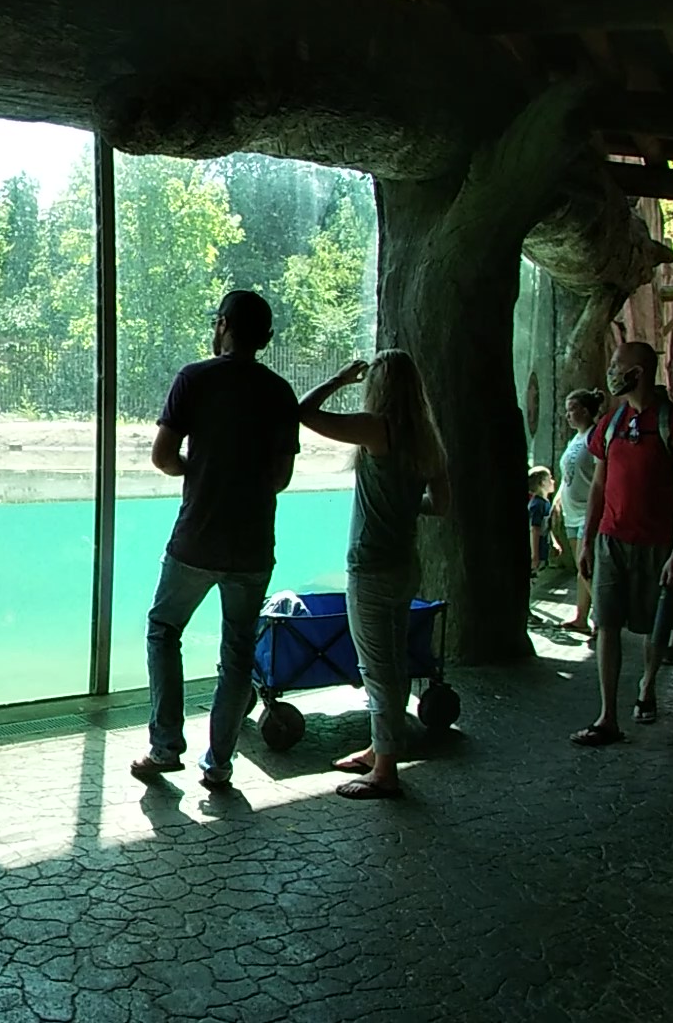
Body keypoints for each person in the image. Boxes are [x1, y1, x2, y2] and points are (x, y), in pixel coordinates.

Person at [131, 290, 299, 792]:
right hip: (252, 546)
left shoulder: (194, 379)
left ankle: (165, 748)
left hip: (196, 539)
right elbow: (281, 477)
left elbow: (162, 457)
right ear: (266, 338)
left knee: (164, 630)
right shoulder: (280, 391)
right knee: (238, 651)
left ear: (223, 325)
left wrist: (199, 474)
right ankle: (219, 765)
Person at [296, 351, 451, 800]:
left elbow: (304, 411)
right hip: (404, 565)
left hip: (370, 567)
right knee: (394, 661)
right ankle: (380, 746)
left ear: (378, 386)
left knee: (376, 668)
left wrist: (341, 378)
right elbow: (440, 506)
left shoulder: (375, 428)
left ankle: (385, 772)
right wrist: (403, 507)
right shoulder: (427, 439)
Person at [571, 342, 673, 746]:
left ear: (638, 373)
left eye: (616, 366)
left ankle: (648, 684)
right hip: (611, 540)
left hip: (656, 543)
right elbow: (599, 487)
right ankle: (608, 716)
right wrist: (588, 539)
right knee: (607, 624)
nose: (610, 371)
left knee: (653, 625)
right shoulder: (610, 424)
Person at [555, 389, 604, 635]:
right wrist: (557, 499)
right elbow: (567, 476)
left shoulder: (595, 437)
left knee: (586, 566)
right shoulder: (576, 438)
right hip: (571, 513)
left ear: (585, 410)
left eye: (571, 409)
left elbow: (600, 476)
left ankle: (602, 617)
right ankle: (581, 616)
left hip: (587, 511)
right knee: (580, 567)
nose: (567, 415)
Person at [527, 466, 558, 578]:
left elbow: (546, 526)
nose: (553, 481)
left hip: (543, 548)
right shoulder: (537, 505)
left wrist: (553, 542)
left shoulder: (545, 503)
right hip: (537, 549)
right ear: (542, 483)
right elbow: (534, 530)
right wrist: (535, 554)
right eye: (550, 478)